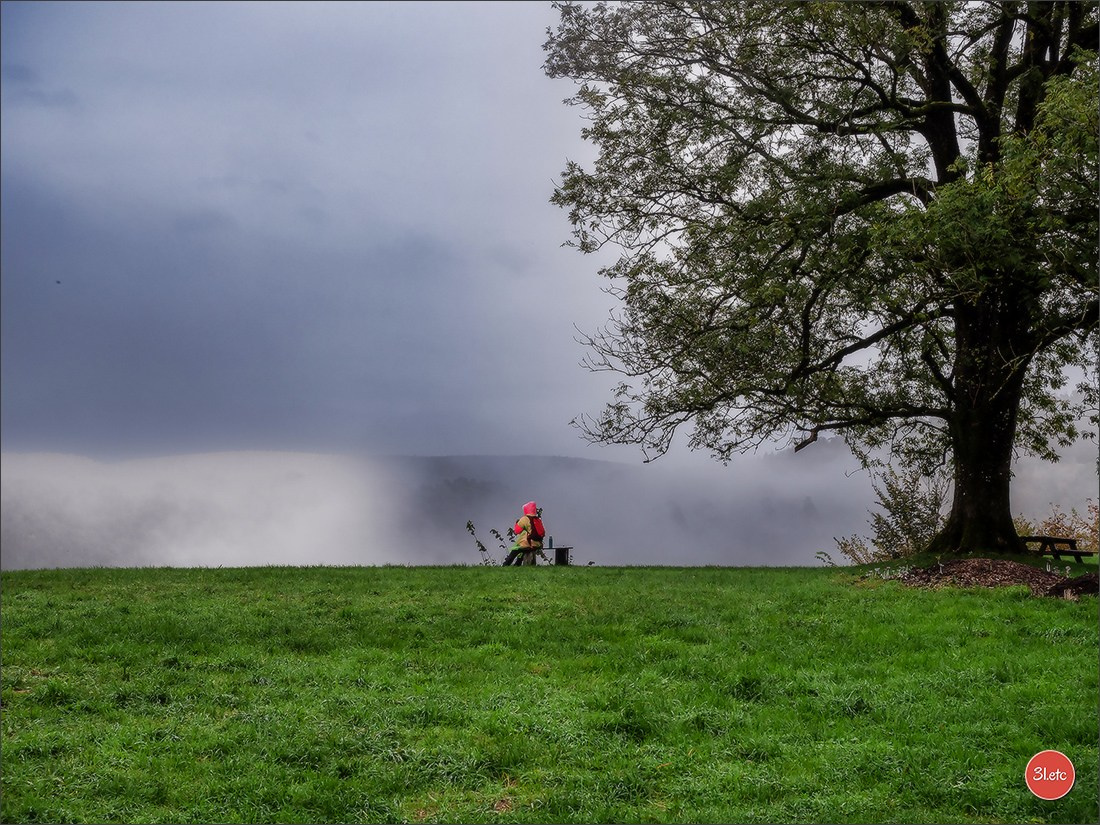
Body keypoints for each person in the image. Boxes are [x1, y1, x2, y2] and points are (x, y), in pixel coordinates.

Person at [502, 501, 545, 566]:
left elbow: (517, 531)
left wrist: (517, 523)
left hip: (529, 543)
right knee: (522, 550)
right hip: (537, 544)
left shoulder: (524, 519)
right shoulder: (538, 519)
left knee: (515, 550)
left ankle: (505, 565)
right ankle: (517, 565)